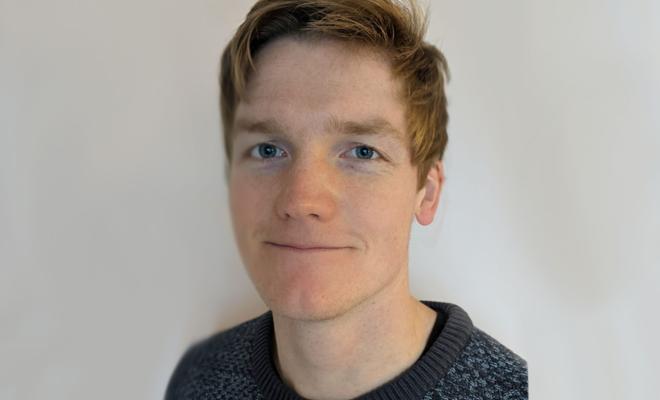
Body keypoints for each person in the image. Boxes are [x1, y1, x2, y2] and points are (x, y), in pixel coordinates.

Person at [165, 0, 528, 399]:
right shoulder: (197, 380)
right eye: (268, 149)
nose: (302, 199)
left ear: (427, 192)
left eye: (362, 152)